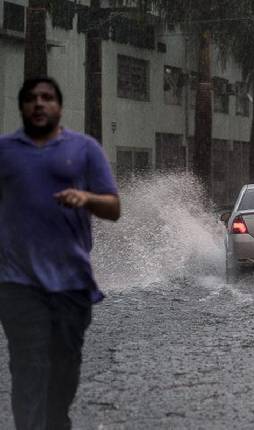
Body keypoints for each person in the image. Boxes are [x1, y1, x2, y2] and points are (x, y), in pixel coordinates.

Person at [0, 77, 120, 429]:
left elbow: (113, 208)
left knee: (63, 373)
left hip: (71, 283)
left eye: (47, 98)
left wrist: (87, 199)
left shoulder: (85, 149)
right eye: (31, 99)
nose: (39, 104)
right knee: (28, 367)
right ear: (21, 107)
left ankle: (57, 421)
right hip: (16, 283)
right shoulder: (5, 152)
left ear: (59, 107)